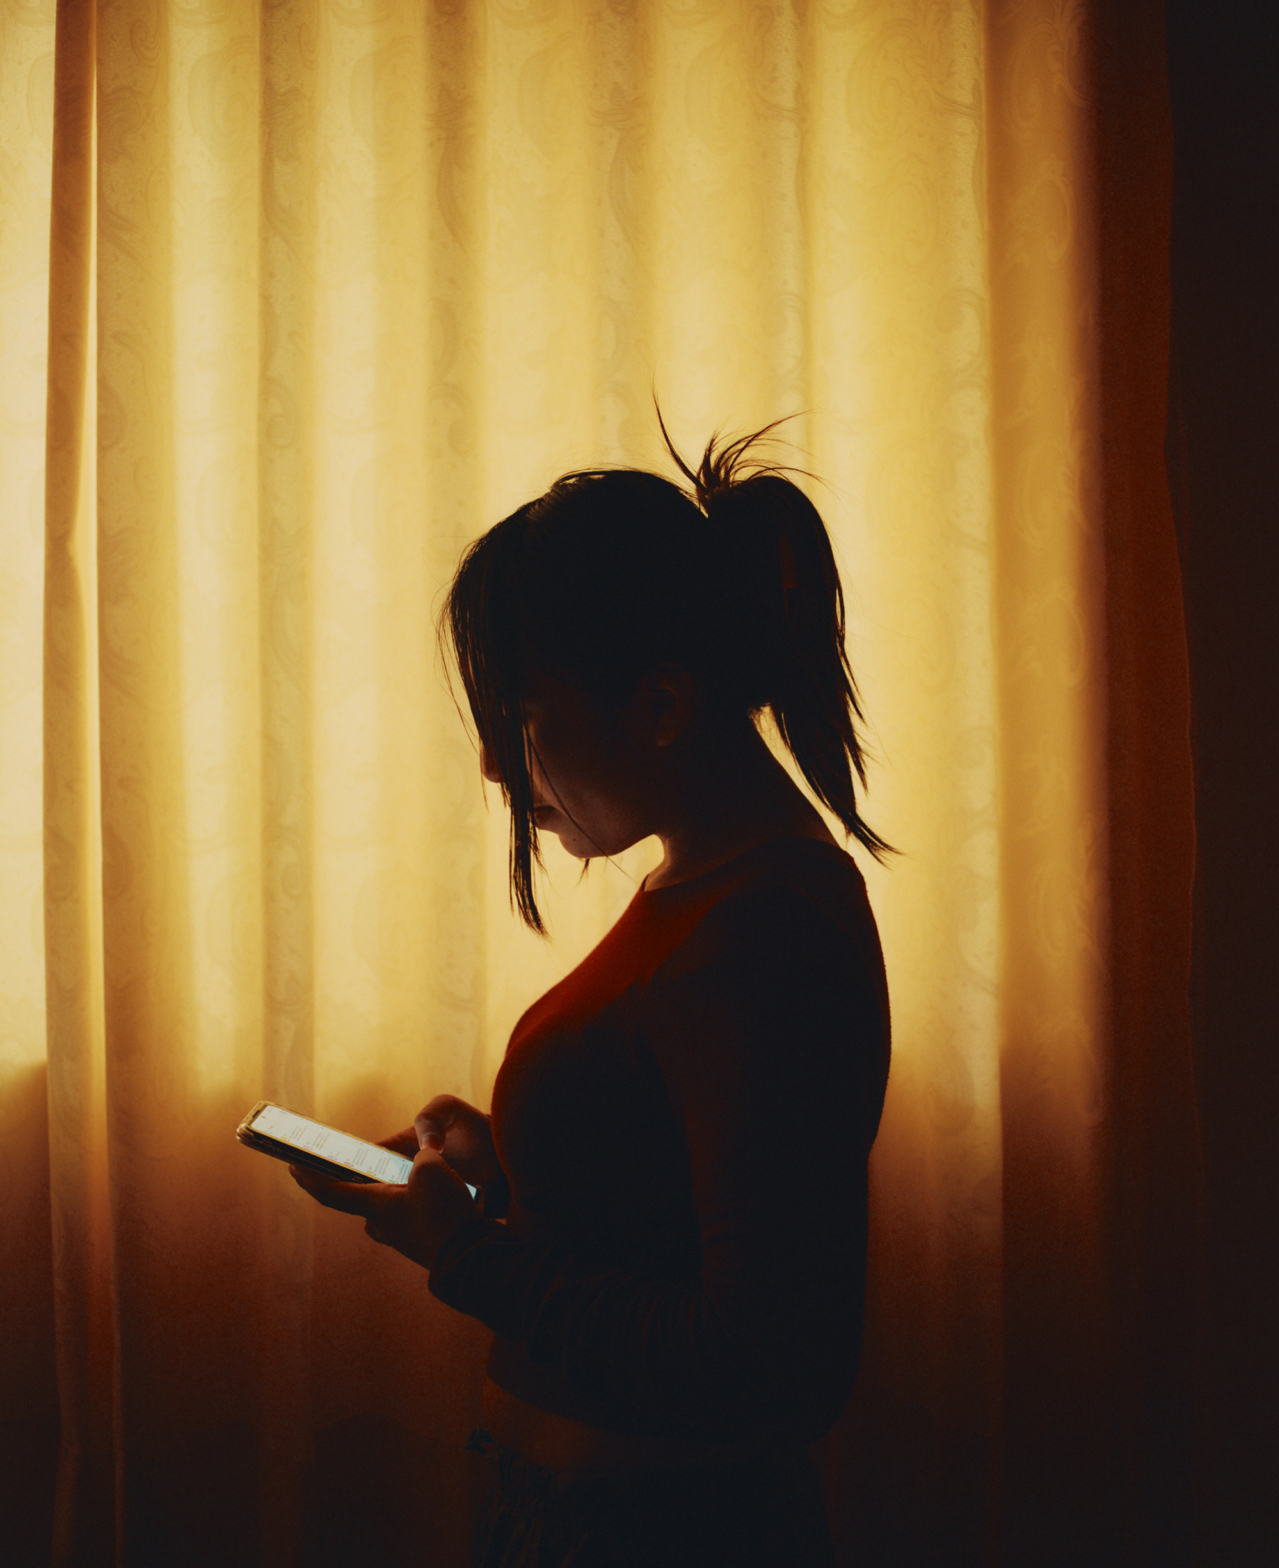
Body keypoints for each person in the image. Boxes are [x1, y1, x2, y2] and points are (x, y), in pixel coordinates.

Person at [290, 423, 893, 1566]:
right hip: (574, 1514)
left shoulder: (760, 930)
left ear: (660, 705)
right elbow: (670, 1190)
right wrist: (511, 1164)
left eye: (521, 717)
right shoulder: (700, 886)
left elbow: (767, 1362)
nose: (493, 767)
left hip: (660, 1530)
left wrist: (465, 1250)